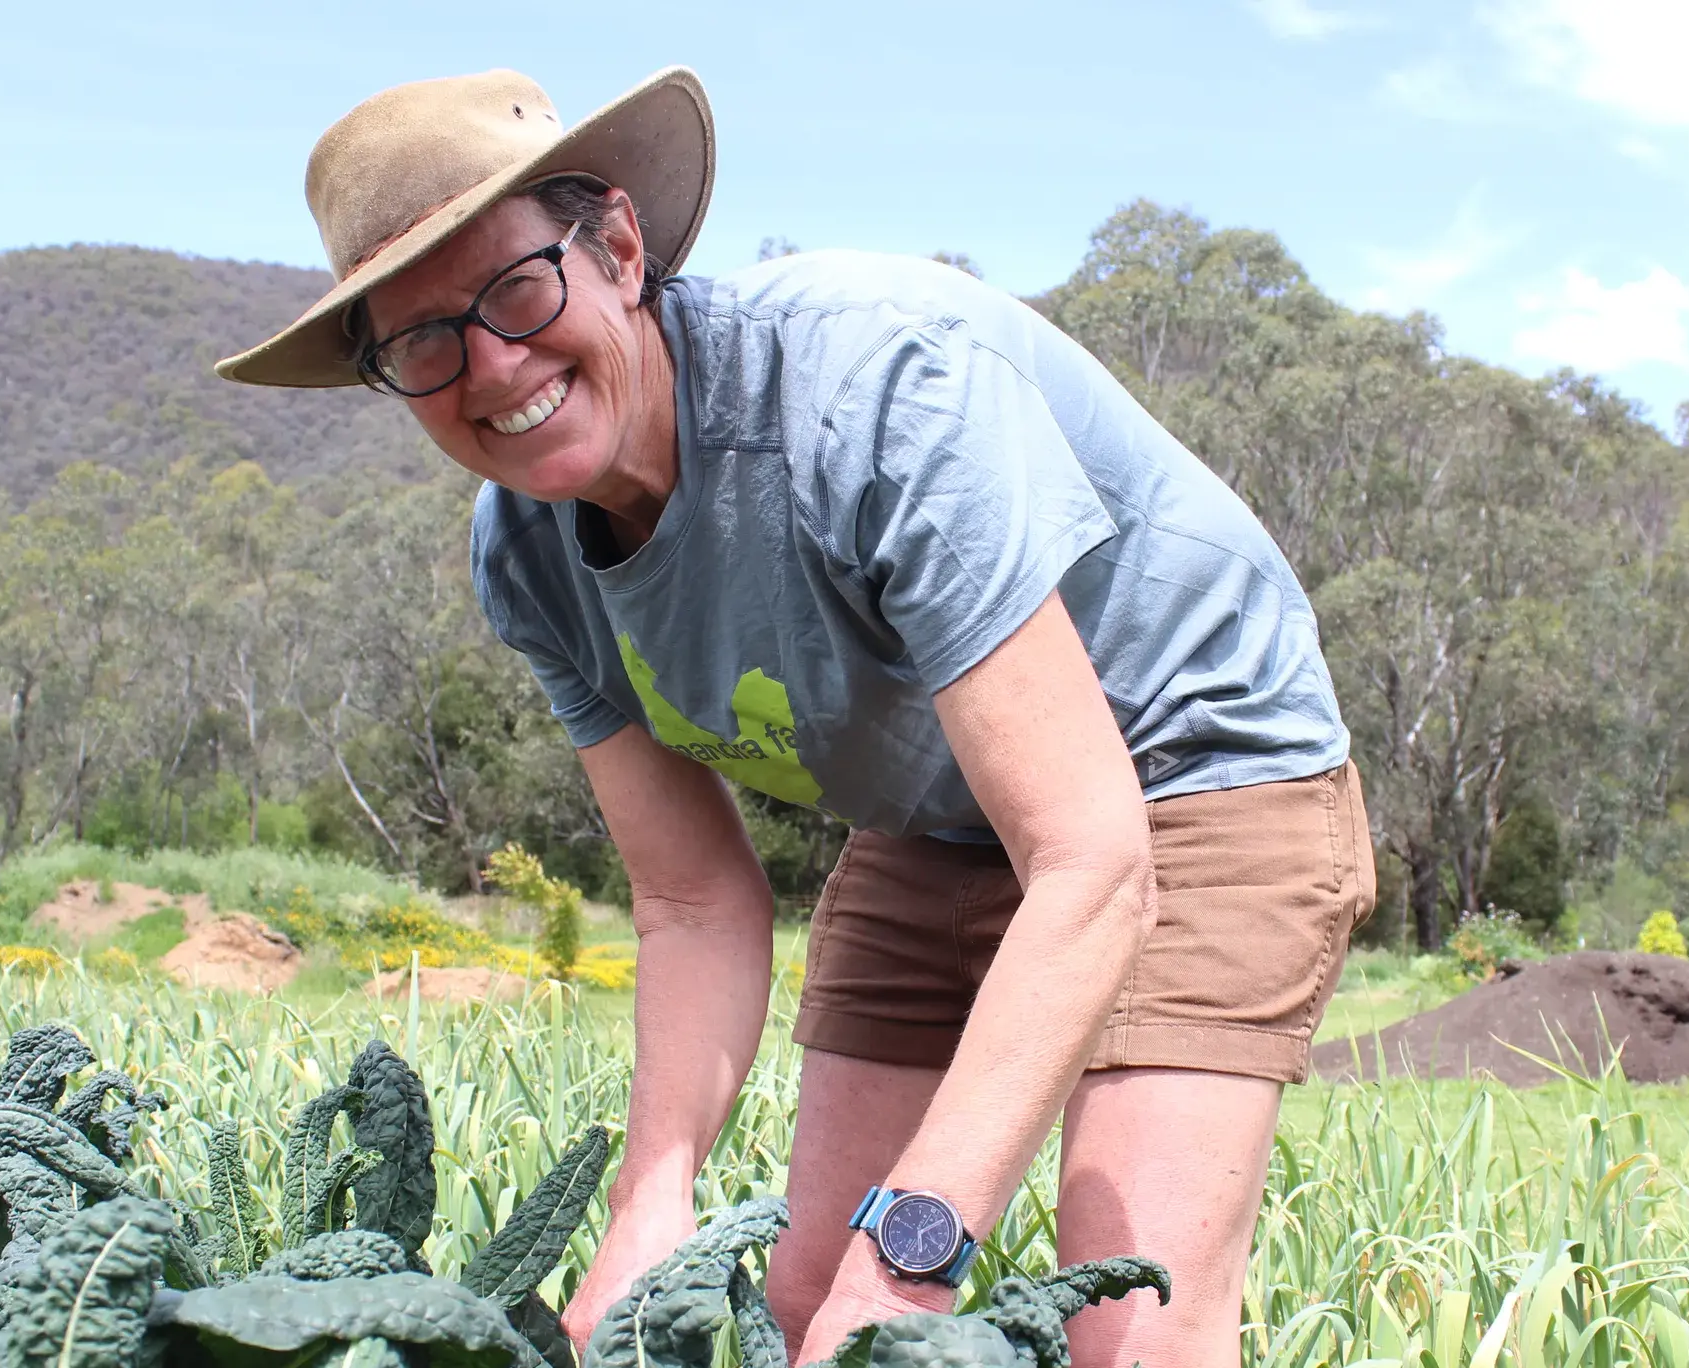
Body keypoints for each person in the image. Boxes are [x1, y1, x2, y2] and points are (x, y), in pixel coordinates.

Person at [218, 65, 1373, 1368]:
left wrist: (920, 1245)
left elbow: (1092, 861)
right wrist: (649, 1203)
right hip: (938, 809)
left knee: (1126, 1322)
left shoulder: (871, 396)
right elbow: (694, 902)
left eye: (517, 289)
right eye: (423, 341)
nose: (492, 366)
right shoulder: (526, 559)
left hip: (1196, 755)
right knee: (811, 1299)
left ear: (616, 248)